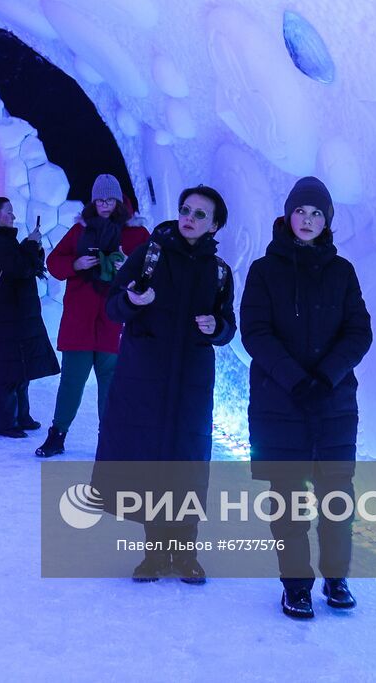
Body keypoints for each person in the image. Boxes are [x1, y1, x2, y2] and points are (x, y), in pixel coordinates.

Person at [241, 176, 372, 619]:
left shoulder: (343, 272)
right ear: (287, 215)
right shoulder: (264, 270)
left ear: (327, 220)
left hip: (334, 406)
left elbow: (359, 332)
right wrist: (297, 380)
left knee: (338, 501)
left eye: (317, 213)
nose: (308, 220)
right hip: (281, 404)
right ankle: (295, 585)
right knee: (289, 502)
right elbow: (255, 332)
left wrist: (326, 376)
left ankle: (337, 579)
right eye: (301, 211)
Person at [94, 185, 236, 584]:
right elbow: (113, 304)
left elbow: (228, 324)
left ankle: (186, 552)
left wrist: (217, 327)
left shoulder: (219, 270)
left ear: (215, 224)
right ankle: (155, 554)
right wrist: (133, 302)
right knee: (151, 459)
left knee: (187, 462)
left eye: (201, 214)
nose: (190, 217)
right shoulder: (149, 254)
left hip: (191, 379)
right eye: (186, 209)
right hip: (147, 376)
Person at [36, 174, 149, 457]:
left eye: (110, 199)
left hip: (114, 320)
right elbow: (54, 264)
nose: (105, 204)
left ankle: (109, 439)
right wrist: (75, 263)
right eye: (100, 199)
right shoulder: (79, 230)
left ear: (119, 200)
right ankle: (57, 434)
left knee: (111, 384)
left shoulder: (135, 235)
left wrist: (128, 266)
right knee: (72, 381)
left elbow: (151, 270)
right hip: (80, 320)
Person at [0, 197, 60, 438]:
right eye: (8, 212)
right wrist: (31, 245)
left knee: (21, 366)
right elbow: (19, 269)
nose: (13, 216)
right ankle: (4, 422)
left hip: (17, 312)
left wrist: (31, 246)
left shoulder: (2, 241)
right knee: (9, 368)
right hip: (10, 313)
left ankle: (21, 415)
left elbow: (24, 266)